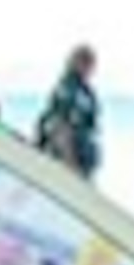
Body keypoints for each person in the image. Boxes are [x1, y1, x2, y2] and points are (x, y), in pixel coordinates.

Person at [34, 45, 103, 176]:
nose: (90, 68)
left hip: (82, 166)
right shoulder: (68, 90)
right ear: (75, 62)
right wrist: (71, 166)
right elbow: (60, 127)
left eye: (91, 64)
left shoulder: (85, 92)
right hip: (66, 164)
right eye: (86, 62)